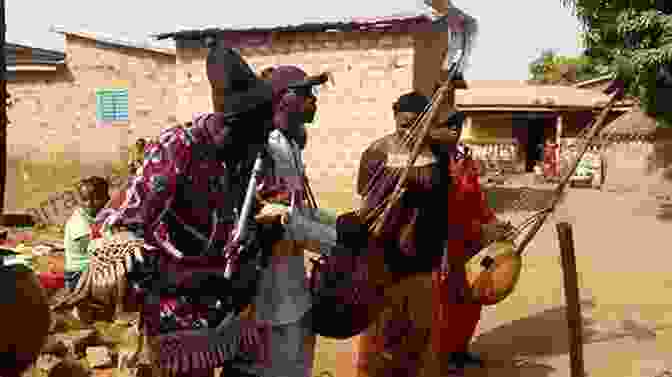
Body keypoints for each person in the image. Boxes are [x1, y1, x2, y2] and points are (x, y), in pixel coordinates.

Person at [98, 45, 279, 377]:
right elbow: (119, 234)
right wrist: (192, 279)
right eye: (260, 134)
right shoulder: (177, 148)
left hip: (218, 312)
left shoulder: (243, 157)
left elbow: (234, 226)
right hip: (174, 314)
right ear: (233, 125)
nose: (264, 143)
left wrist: (247, 260)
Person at [355, 87, 511, 377]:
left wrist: (447, 252)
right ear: (394, 117)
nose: (411, 132)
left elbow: (443, 212)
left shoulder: (439, 159)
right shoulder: (376, 152)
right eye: (405, 124)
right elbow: (366, 203)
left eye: (418, 124)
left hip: (424, 268)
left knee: (420, 347)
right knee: (379, 348)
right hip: (384, 268)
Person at [221, 65, 332, 377]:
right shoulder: (264, 148)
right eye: (306, 93)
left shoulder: (290, 145)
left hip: (291, 285)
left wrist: (344, 228)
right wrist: (335, 241)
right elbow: (271, 217)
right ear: (283, 98)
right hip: (264, 291)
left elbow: (299, 209)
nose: (314, 101)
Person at [63, 176, 109, 292]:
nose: (89, 204)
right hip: (79, 274)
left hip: (95, 270)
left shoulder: (102, 216)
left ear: (107, 198)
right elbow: (97, 248)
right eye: (85, 199)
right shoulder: (78, 220)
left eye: (96, 199)